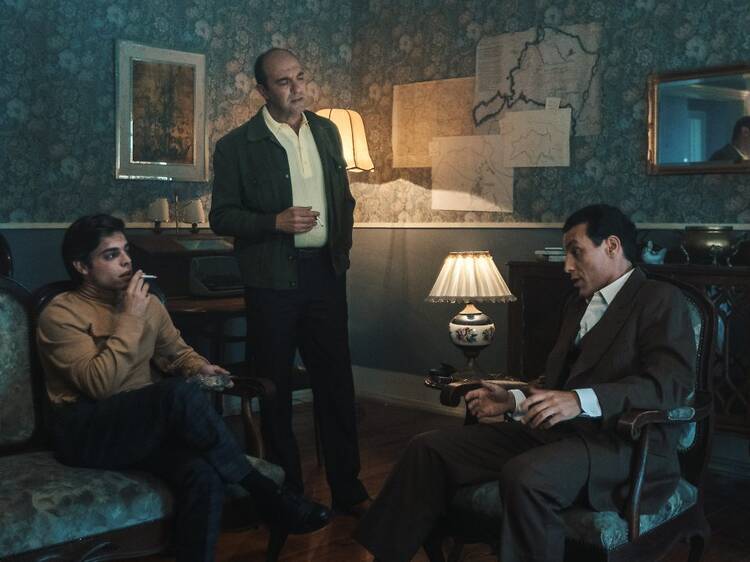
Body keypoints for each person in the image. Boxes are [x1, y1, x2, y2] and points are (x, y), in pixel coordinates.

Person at [355, 204, 696, 562]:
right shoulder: (577, 305)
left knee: (526, 476)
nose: (567, 266)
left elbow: (668, 385)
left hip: (622, 446)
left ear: (611, 246)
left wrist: (580, 400)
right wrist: (513, 400)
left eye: (576, 252)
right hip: (555, 435)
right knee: (428, 448)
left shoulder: (659, 299)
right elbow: (556, 383)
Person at [36, 214, 331, 562]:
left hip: (140, 427)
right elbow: (99, 385)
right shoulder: (61, 314)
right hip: (86, 431)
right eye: (111, 255)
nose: (127, 261)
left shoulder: (148, 304)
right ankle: (265, 492)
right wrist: (130, 318)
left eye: (126, 250)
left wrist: (199, 367)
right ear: (82, 266)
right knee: (176, 392)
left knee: (202, 474)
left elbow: (176, 352)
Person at [209, 48, 369, 516]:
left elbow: (344, 199)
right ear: (262, 90)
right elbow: (222, 216)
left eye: (300, 76)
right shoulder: (236, 146)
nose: (297, 88)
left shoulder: (327, 131)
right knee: (273, 387)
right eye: (283, 82)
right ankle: (287, 493)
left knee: (336, 383)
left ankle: (349, 490)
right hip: (271, 280)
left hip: (325, 275)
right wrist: (273, 222)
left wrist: (342, 248)